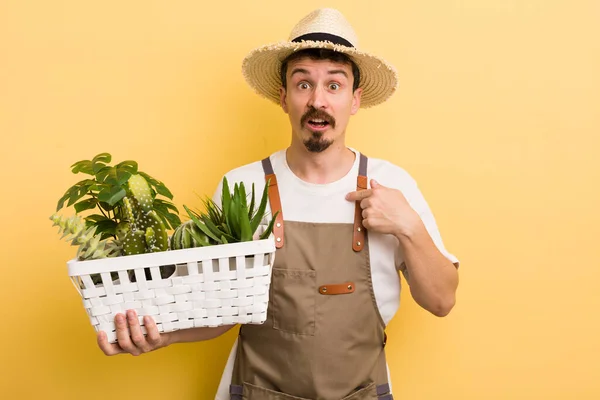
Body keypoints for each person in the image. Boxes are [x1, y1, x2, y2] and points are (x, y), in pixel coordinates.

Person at [98, 8, 460, 400]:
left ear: (355, 100)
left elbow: (441, 300)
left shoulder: (392, 186)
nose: (317, 100)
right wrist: (160, 335)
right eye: (303, 84)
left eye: (334, 86)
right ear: (283, 97)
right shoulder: (241, 187)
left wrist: (409, 225)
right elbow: (219, 311)